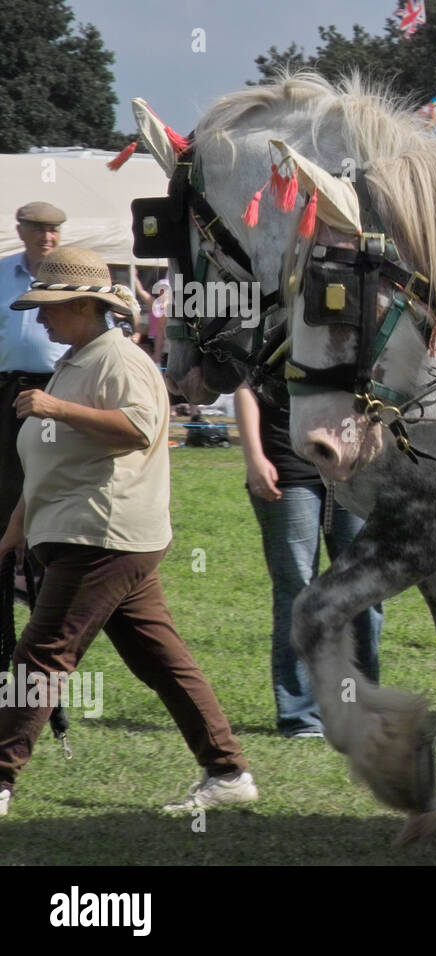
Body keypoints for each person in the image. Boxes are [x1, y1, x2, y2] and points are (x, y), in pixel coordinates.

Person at [0, 247, 256, 816]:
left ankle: (0, 776)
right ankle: (228, 770)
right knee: (159, 659)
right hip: (94, 532)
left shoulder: (117, 358)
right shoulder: (78, 358)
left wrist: (53, 409)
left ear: (87, 306)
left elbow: (138, 429)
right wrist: (17, 527)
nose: (40, 317)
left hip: (103, 533)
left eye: (50, 307)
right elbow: (48, 461)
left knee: (40, 657)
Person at [234, 383, 381, 738]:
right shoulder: (272, 328)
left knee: (362, 593)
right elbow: (246, 388)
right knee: (297, 592)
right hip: (286, 468)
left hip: (355, 472)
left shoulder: (361, 329)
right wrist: (254, 457)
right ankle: (302, 717)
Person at [1, 203, 67, 530]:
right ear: (20, 232)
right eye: (39, 229)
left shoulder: (71, 275)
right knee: (7, 472)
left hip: (58, 389)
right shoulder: (2, 272)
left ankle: (44, 552)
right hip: (7, 391)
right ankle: (7, 559)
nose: (47, 237)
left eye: (53, 229)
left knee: (51, 468)